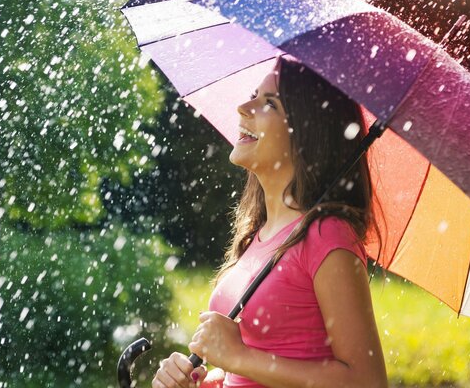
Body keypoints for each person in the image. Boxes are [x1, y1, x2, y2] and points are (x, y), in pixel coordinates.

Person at [152, 57, 388, 388]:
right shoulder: (257, 236)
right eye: (253, 95)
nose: (244, 108)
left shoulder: (327, 235)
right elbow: (259, 366)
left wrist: (237, 357)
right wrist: (211, 380)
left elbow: (367, 382)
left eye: (269, 103)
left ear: (307, 132)